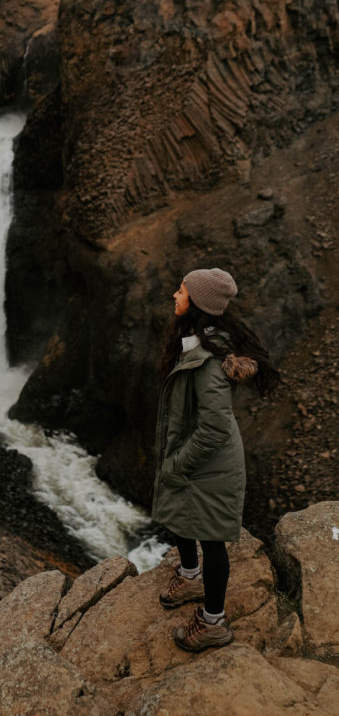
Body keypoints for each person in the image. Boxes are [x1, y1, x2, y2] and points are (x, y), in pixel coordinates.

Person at [151, 267, 279, 652]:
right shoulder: (194, 341)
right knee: (181, 512)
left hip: (210, 462)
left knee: (213, 541)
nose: (175, 295)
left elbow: (214, 430)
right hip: (194, 453)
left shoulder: (207, 363)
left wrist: (176, 463)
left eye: (182, 291)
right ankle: (190, 576)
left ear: (198, 304)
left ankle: (213, 623)